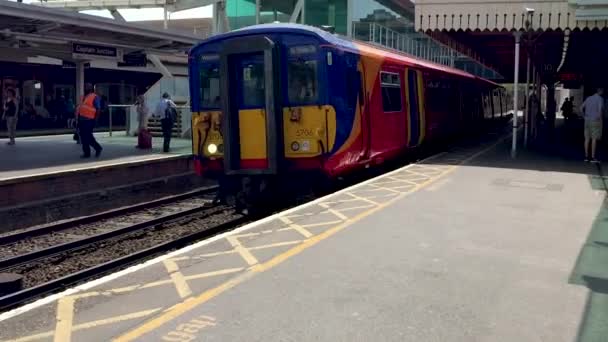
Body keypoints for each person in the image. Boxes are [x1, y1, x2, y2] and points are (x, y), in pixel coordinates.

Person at [76, 83, 103, 158]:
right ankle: (87, 152)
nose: (86, 88)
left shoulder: (95, 97)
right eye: (85, 87)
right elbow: (81, 108)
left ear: (91, 88)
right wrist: (78, 119)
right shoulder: (84, 97)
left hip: (89, 120)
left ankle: (97, 148)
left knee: (87, 136)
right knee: (84, 136)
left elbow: (98, 109)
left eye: (87, 87)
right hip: (82, 119)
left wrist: (96, 120)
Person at [581, 88, 604, 163]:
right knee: (594, 139)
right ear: (600, 91)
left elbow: (580, 108)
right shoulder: (600, 99)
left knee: (587, 138)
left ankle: (586, 156)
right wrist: (601, 121)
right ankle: (593, 157)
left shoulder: (588, 98)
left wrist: (584, 116)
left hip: (587, 120)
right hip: (595, 121)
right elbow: (600, 110)